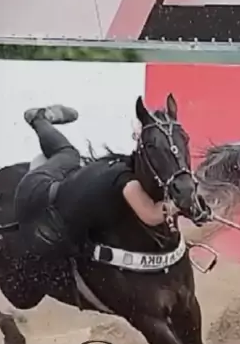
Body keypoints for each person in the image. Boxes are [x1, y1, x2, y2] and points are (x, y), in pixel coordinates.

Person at [14, 103, 204, 259]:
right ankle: (39, 118)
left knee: (69, 156)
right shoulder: (127, 182)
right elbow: (152, 215)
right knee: (68, 153)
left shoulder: (127, 171)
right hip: (37, 192)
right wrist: (184, 204)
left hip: (64, 194)